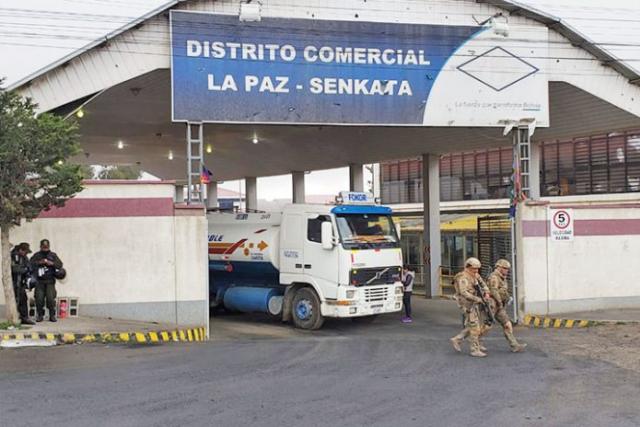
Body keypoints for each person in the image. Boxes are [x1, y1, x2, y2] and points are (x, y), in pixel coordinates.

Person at [450, 257, 491, 357]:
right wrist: (478, 299)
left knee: (472, 325)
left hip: (474, 302)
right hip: (467, 304)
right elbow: (464, 293)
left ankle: (457, 339)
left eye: (477, 269)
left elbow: (483, 284)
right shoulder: (463, 278)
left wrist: (486, 292)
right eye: (474, 269)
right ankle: (474, 350)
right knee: (475, 327)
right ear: (467, 267)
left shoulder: (475, 275)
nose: (476, 271)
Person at [486, 259, 526, 353]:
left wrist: (507, 298)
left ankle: (514, 345)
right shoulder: (494, 277)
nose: (506, 270)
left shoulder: (502, 277)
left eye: (507, 268)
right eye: (504, 268)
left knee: (507, 324)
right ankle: (462, 339)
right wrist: (500, 302)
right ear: (498, 267)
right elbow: (494, 291)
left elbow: (503, 291)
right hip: (493, 305)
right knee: (485, 327)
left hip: (499, 306)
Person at [30, 239, 63, 322]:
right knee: (39, 299)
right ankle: (40, 315)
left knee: (50, 299)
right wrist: (39, 263)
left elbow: (60, 265)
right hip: (39, 281)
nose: (45, 248)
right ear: (40, 246)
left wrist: (52, 263)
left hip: (50, 281)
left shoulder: (53, 255)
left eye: (46, 246)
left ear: (49, 246)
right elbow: (30, 264)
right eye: (43, 246)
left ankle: (52, 315)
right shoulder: (37, 255)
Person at [10, 242, 35, 325]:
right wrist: (25, 269)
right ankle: (15, 318)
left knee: (23, 299)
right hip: (14, 282)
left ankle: (24, 318)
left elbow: (29, 267)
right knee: (16, 300)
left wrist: (29, 274)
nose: (26, 254)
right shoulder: (13, 256)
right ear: (20, 250)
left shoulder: (24, 257)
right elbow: (14, 269)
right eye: (25, 252)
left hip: (21, 282)